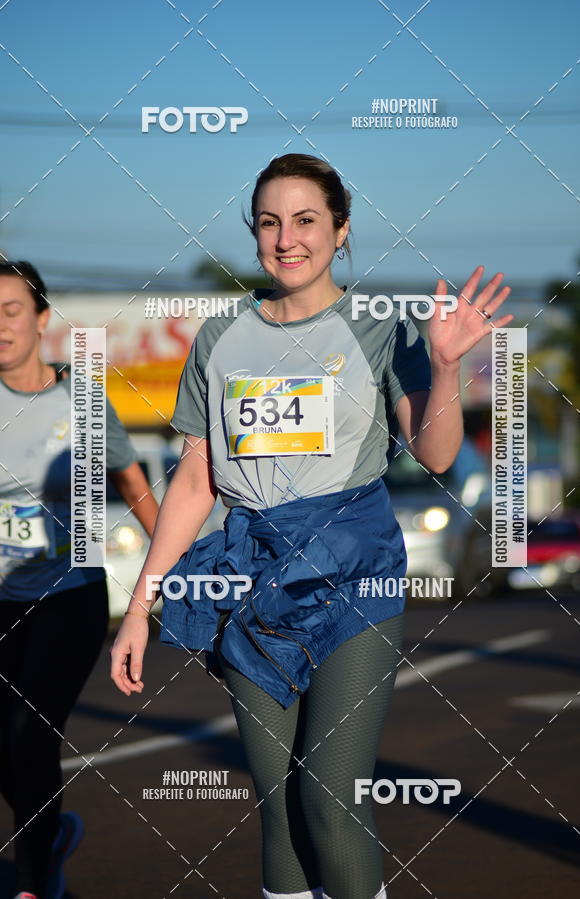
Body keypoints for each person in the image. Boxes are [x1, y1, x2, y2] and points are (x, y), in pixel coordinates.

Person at [110, 153, 512, 899]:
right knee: (281, 808)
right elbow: (195, 481)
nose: (286, 239)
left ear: (341, 229)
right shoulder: (219, 336)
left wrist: (446, 367)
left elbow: (434, 453)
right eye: (269, 222)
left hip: (354, 573)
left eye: (305, 220)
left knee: (330, 797)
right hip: (250, 578)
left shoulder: (381, 328)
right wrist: (140, 607)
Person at [0, 260, 159, 899]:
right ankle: (53, 835)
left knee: (30, 731)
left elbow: (133, 484)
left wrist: (182, 565)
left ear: (41, 319)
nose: (0, 325)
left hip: (68, 595)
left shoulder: (81, 397)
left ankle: (33, 882)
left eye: (11, 310)